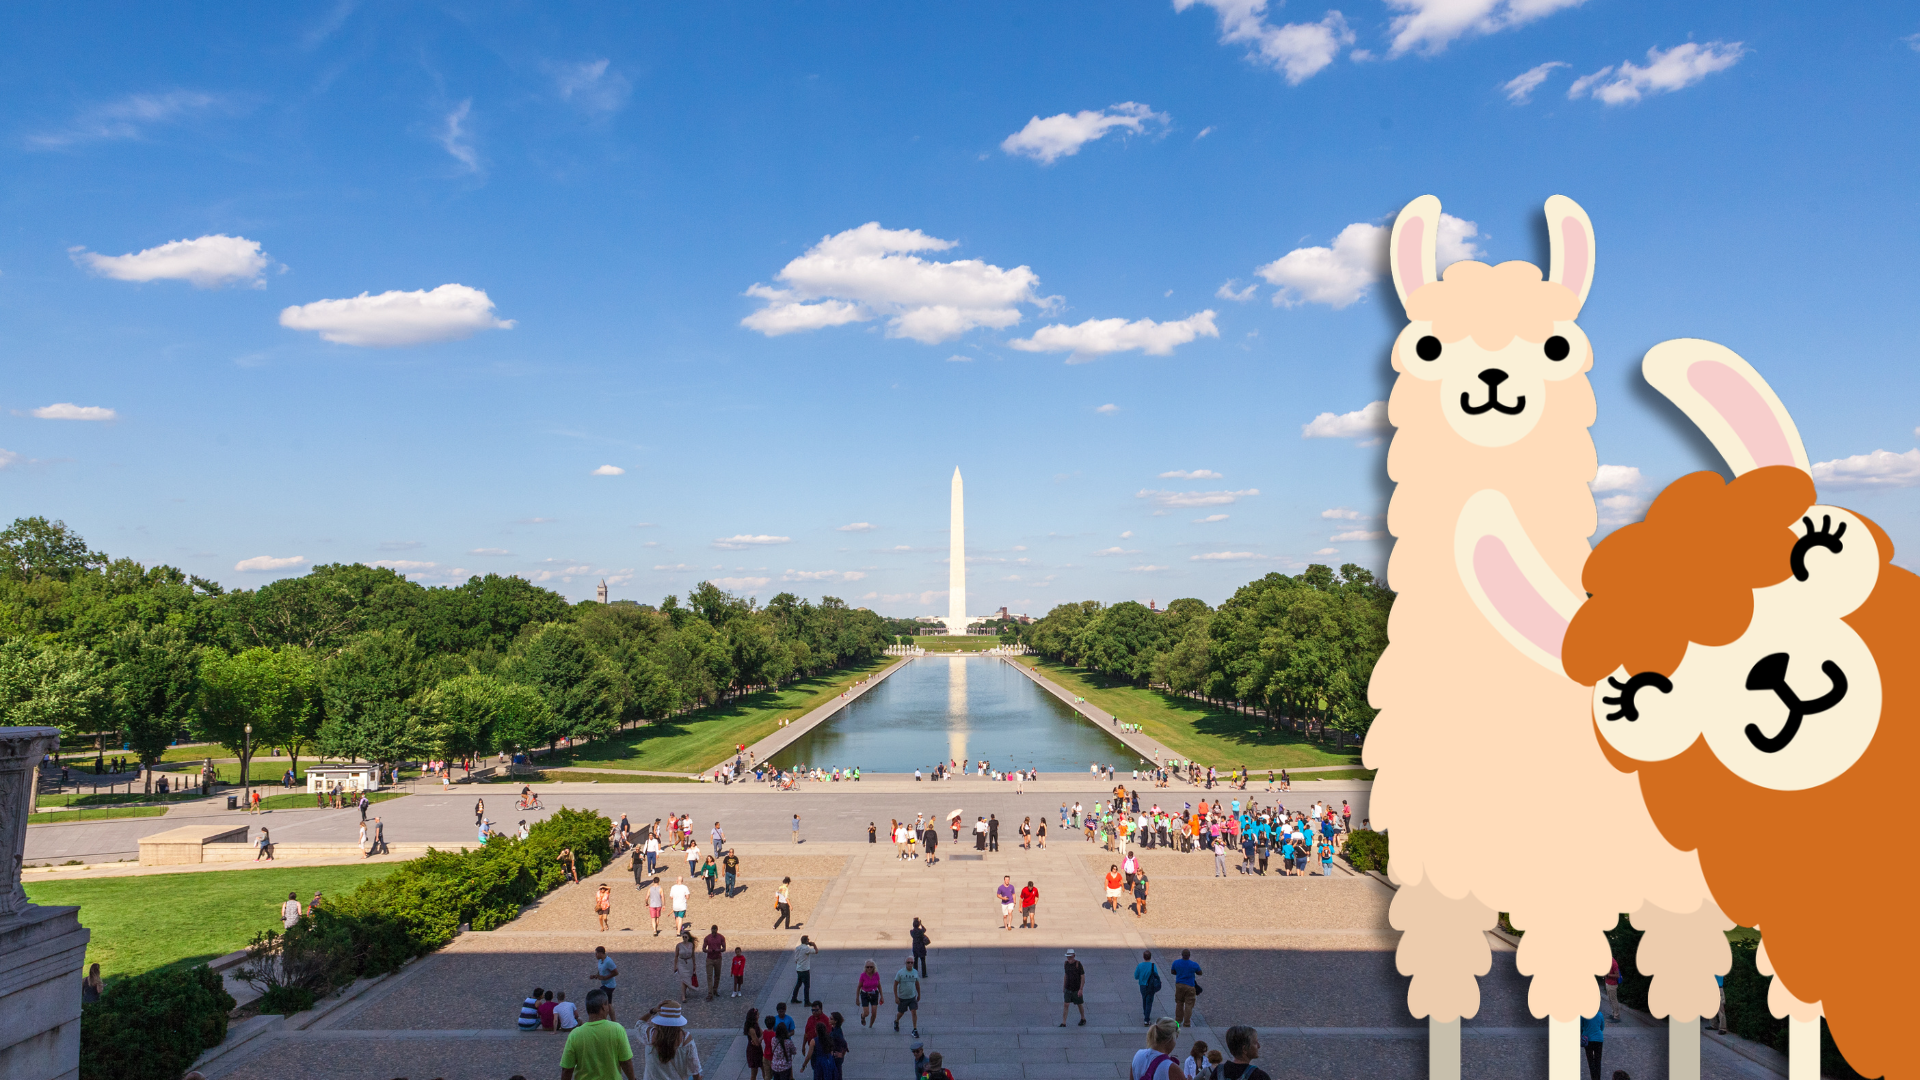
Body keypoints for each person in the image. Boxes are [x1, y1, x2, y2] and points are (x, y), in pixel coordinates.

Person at [640, 1001, 700, 1080]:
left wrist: (652, 1011)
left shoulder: (648, 1035)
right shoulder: (686, 1039)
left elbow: (640, 1023)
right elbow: (695, 1069)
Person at [1170, 950, 1202, 1028]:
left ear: (1182, 955)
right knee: (1189, 1005)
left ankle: (1178, 1021)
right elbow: (1200, 972)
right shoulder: (1194, 964)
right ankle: (1187, 1023)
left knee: (1179, 1003)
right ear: (1189, 955)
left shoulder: (1176, 962)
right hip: (1190, 986)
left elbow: (1172, 971)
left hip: (1179, 985)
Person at [892, 955, 920, 1037]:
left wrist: (919, 994)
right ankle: (896, 1021)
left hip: (912, 997)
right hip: (903, 997)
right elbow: (895, 984)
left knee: (914, 1012)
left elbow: (917, 984)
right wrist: (896, 997)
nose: (910, 964)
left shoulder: (915, 972)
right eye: (908, 962)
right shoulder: (900, 973)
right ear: (905, 963)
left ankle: (915, 1029)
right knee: (901, 1013)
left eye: (911, 962)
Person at [1134, 950, 1163, 1026]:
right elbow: (1156, 975)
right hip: (1151, 986)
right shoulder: (1153, 966)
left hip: (1142, 985)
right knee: (1149, 1001)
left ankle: (1145, 1013)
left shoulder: (1140, 965)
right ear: (1150, 957)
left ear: (1143, 957)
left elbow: (1136, 976)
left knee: (1144, 999)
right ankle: (1146, 1019)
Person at [1061, 948, 1087, 1027]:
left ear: (1074, 956)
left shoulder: (1078, 964)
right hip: (1068, 988)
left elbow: (1082, 977)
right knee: (1066, 1004)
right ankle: (1064, 1022)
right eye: (1068, 957)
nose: (1069, 959)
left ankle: (1083, 1018)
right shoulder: (1066, 964)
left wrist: (1081, 989)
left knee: (1079, 1004)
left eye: (1070, 957)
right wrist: (1064, 986)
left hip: (1076, 989)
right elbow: (1065, 976)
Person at [590, 946, 619, 1017]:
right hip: (605, 984)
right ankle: (611, 1021)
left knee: (601, 999)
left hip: (609, 985)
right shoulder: (600, 961)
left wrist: (605, 978)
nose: (595, 955)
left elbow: (616, 972)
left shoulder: (609, 962)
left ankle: (604, 1018)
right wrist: (595, 976)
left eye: (596, 954)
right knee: (608, 1004)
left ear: (601, 953)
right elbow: (600, 970)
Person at [856, 960, 884, 1027]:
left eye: (871, 967)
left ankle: (871, 1025)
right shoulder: (863, 975)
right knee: (866, 1013)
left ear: (873, 967)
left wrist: (882, 996)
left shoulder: (876, 974)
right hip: (865, 994)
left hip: (874, 993)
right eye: (867, 967)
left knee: (874, 1013)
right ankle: (863, 1016)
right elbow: (859, 987)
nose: (869, 968)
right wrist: (857, 998)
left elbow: (879, 985)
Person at [674, 931, 700, 1001]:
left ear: (688, 938)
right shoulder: (679, 945)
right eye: (683, 937)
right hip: (681, 963)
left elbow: (693, 955)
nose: (684, 938)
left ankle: (684, 993)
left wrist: (694, 964)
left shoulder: (691, 945)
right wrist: (675, 966)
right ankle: (683, 996)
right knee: (683, 979)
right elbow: (676, 956)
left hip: (689, 963)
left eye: (686, 937)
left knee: (687, 978)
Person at [1580, 1008, 1606, 1080]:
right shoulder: (1600, 1014)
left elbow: (1580, 1027)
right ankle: (1598, 1078)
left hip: (1587, 1039)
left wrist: (1584, 1032)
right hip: (1599, 1039)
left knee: (1590, 1060)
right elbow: (1602, 1027)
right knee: (1598, 1060)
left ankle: (1593, 1077)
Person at [702, 925, 726, 1001]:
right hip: (710, 959)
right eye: (713, 930)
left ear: (717, 930)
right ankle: (710, 993)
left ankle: (714, 989)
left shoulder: (721, 937)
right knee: (709, 976)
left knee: (717, 975)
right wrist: (709, 951)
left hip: (718, 958)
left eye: (715, 930)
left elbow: (724, 948)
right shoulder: (707, 938)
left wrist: (718, 950)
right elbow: (703, 948)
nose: (714, 932)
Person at [791, 935, 817, 1003]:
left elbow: (796, 959)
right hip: (805, 970)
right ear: (806, 941)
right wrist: (814, 944)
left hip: (799, 969)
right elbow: (816, 951)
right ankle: (806, 1001)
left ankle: (794, 998)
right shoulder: (806, 949)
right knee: (806, 986)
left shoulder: (797, 948)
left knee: (798, 984)